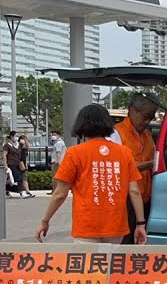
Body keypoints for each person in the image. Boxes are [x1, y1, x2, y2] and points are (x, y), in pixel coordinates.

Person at [37, 105, 147, 245]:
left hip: (86, 226)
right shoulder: (124, 153)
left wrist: (45, 221)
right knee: (109, 265)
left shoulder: (74, 153)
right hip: (116, 226)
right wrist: (140, 224)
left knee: (88, 265)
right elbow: (134, 191)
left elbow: (60, 194)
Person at [109, 93, 158, 244]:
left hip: (145, 197)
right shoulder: (116, 133)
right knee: (125, 243)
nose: (148, 121)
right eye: (146, 116)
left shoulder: (148, 135)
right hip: (125, 200)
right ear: (132, 111)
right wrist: (152, 163)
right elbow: (121, 168)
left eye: (151, 118)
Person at [1, 132, 32, 199]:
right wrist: (5, 165)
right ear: (11, 136)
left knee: (13, 180)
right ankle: (22, 192)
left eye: (18, 136)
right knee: (18, 177)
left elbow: (27, 146)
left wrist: (24, 139)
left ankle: (6, 191)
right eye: (16, 136)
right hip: (11, 163)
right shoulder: (7, 145)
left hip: (18, 164)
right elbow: (4, 155)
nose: (17, 137)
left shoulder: (19, 145)